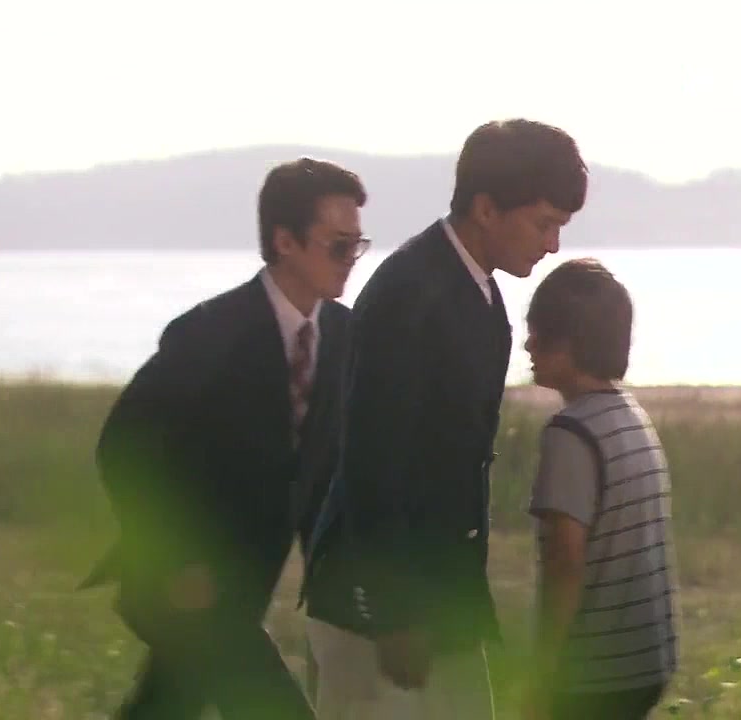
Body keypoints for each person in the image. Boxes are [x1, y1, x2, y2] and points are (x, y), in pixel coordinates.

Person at [299, 119, 589, 720]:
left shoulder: (477, 291)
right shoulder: (410, 292)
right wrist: (394, 614)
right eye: (543, 223)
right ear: (485, 209)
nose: (553, 244)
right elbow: (371, 461)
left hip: (442, 601)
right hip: (377, 608)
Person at [79, 157, 371, 720]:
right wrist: (177, 563)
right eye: (338, 246)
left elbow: (317, 469)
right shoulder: (209, 333)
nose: (350, 261)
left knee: (165, 706)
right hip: (179, 586)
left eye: (357, 246)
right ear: (284, 242)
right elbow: (124, 447)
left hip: (243, 588)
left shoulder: (343, 336)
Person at [520, 258, 680, 720]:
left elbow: (564, 563)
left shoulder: (570, 432)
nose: (528, 345)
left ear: (571, 345)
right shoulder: (632, 416)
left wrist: (542, 675)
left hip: (595, 674)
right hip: (648, 660)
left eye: (539, 334)